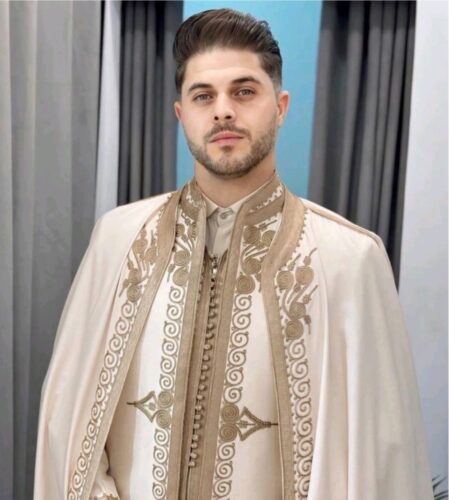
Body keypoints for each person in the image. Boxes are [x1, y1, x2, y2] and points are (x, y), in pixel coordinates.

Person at [34, 8, 433, 500]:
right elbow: (67, 424)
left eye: (244, 92)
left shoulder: (348, 261)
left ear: (280, 106)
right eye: (203, 96)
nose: (223, 110)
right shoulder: (119, 242)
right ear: (181, 114)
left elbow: (381, 461)